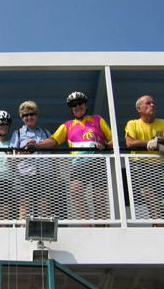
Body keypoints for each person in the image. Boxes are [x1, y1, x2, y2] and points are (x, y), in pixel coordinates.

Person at [38, 91, 112, 221]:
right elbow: (54, 140)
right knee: (75, 191)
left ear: (85, 105)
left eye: (80, 103)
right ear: (71, 109)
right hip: (78, 164)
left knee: (99, 199)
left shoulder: (97, 119)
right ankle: (87, 225)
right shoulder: (67, 125)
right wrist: (36, 145)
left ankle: (101, 228)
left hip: (97, 162)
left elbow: (113, 140)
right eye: (74, 105)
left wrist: (105, 146)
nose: (77, 106)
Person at [124, 95, 164, 223]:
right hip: (140, 163)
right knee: (147, 193)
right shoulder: (133, 123)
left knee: (158, 198)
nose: (152, 105)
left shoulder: (162, 123)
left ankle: (158, 223)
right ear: (139, 109)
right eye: (148, 103)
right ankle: (160, 223)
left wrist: (159, 140)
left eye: (153, 103)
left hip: (158, 165)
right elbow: (129, 143)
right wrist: (150, 143)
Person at [10, 100, 52, 219]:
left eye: (31, 114)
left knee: (44, 210)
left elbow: (52, 153)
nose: (29, 117)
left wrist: (55, 175)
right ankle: (22, 231)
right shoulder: (17, 134)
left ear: (36, 115)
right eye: (25, 115)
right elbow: (11, 159)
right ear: (21, 118)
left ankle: (42, 231)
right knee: (24, 209)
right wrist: (26, 150)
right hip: (24, 176)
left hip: (44, 175)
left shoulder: (46, 133)